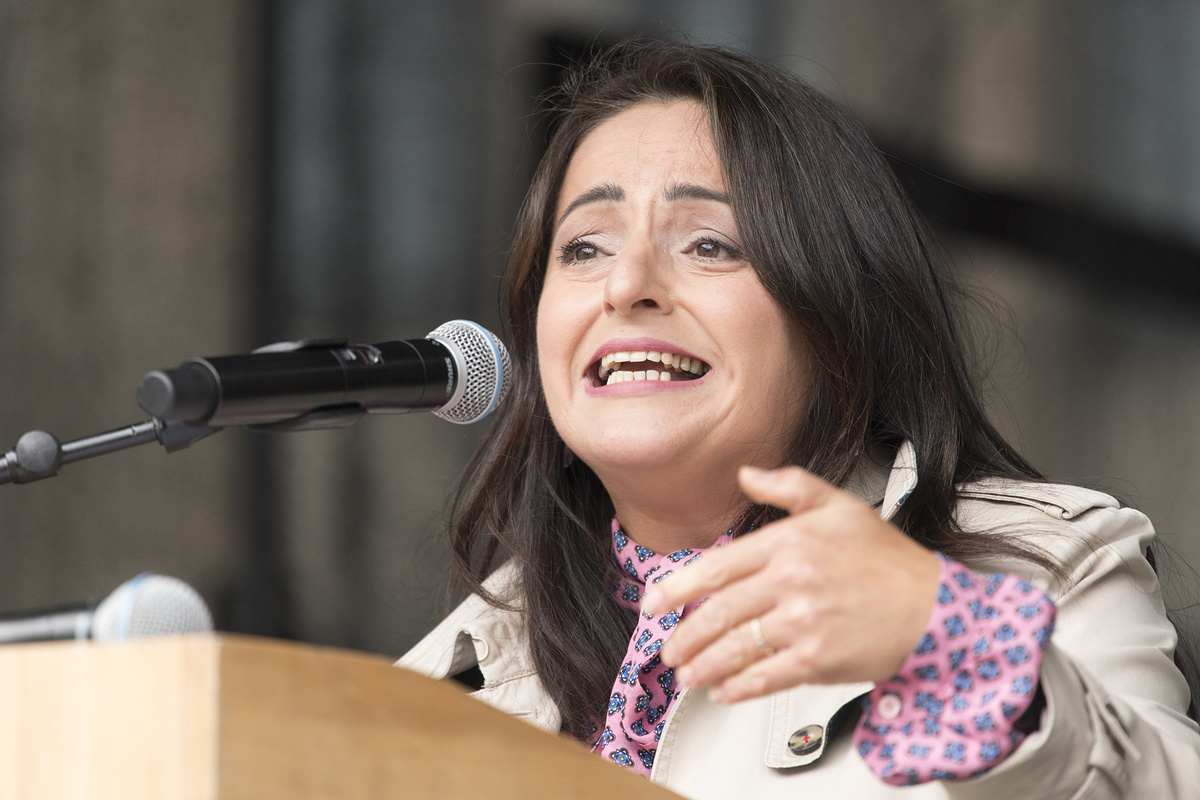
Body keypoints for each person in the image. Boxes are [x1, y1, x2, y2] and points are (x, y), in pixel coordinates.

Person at [399, 40, 1200, 798]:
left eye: (709, 244)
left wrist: (950, 644)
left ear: (837, 312)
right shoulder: (437, 686)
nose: (626, 284)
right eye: (583, 248)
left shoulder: (1040, 570)